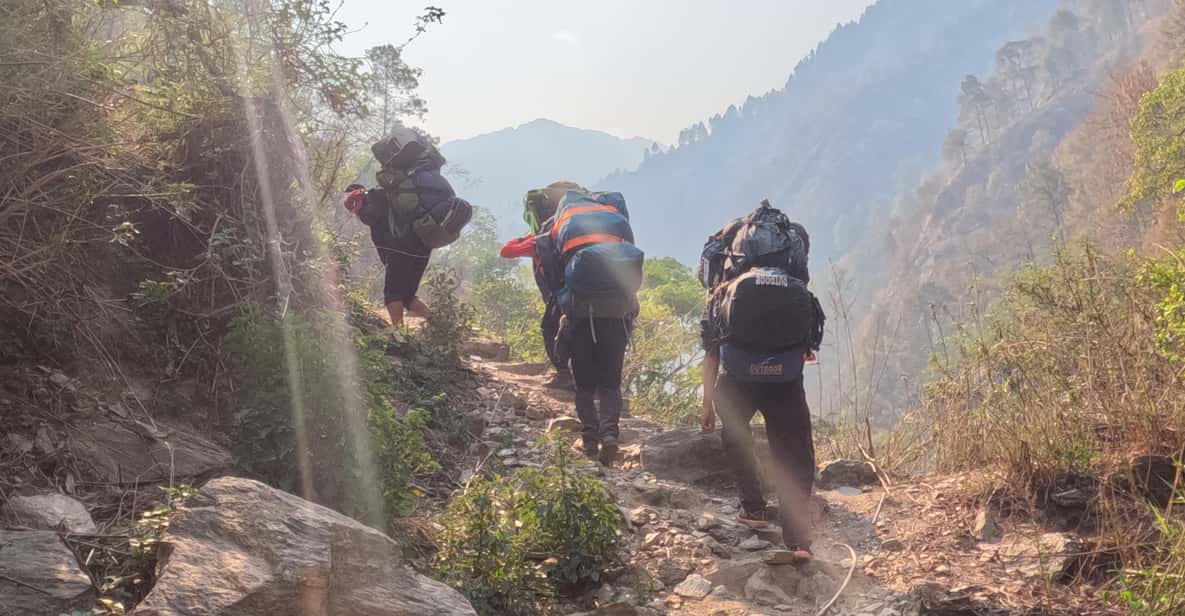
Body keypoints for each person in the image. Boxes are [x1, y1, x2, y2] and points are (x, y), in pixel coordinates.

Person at [698, 201, 823, 564]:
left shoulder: (723, 292)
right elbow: (805, 342)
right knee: (794, 451)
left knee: (736, 437)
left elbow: (712, 354)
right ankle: (799, 541)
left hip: (736, 379)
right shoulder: (794, 285)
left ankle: (752, 508)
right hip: (785, 379)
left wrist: (707, 405)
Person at [499, 181, 584, 388]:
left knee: (550, 329)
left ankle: (564, 374)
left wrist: (533, 234)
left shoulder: (542, 240)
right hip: (596, 289)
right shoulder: (580, 232)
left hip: (563, 297)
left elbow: (507, 250)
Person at [345, 184, 431, 327]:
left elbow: (371, 218)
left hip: (398, 251)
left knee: (392, 294)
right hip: (423, 248)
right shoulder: (391, 194)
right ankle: (442, 324)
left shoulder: (373, 202)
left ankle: (399, 334)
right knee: (407, 297)